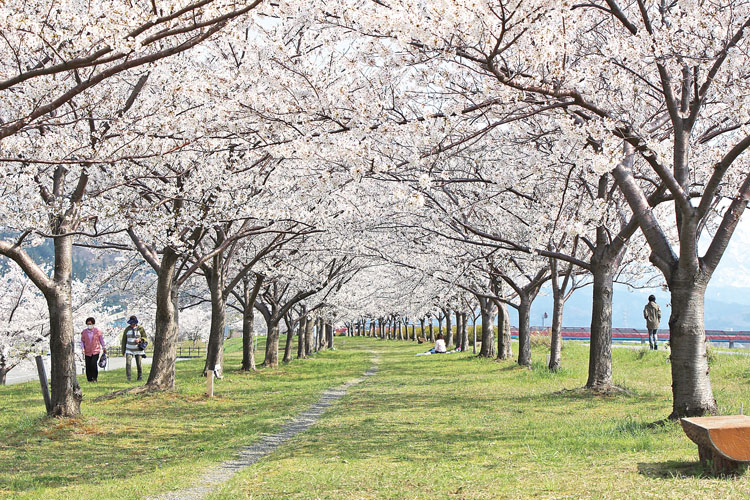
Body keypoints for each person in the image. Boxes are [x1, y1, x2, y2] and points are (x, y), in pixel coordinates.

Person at [121, 315, 147, 381]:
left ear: (136, 323)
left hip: (138, 350)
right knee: (128, 363)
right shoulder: (127, 329)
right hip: (129, 349)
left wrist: (140, 339)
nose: (132, 325)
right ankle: (128, 378)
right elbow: (124, 340)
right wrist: (123, 351)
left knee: (139, 364)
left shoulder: (140, 328)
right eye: (131, 323)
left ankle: (140, 376)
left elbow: (145, 337)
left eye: (133, 323)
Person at [80, 317, 106, 382]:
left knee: (93, 364)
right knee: (88, 365)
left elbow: (101, 340)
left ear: (93, 324)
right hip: (87, 351)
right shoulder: (84, 332)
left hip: (95, 351)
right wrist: (82, 348)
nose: (89, 325)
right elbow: (82, 341)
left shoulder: (97, 331)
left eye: (90, 324)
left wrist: (104, 347)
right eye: (88, 324)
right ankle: (89, 379)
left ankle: (94, 377)